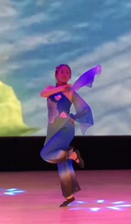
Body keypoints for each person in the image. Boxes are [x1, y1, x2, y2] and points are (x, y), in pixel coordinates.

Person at [40, 64, 101, 207]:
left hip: (66, 128)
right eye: (62, 72)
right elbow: (43, 94)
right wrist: (63, 88)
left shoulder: (71, 92)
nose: (65, 74)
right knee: (62, 161)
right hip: (53, 129)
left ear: (70, 76)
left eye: (68, 72)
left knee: (45, 154)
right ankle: (69, 195)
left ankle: (72, 155)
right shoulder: (50, 89)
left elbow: (85, 109)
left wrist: (73, 116)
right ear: (56, 74)